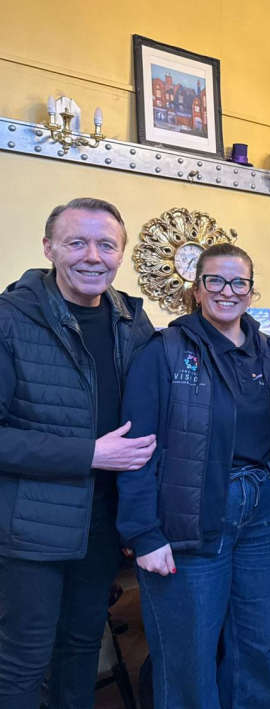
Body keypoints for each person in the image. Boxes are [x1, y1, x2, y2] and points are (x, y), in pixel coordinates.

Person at [116, 243, 270, 707]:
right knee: (188, 658)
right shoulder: (163, 352)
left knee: (262, 647)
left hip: (264, 518)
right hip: (187, 519)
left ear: (251, 292)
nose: (226, 291)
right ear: (197, 290)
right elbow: (134, 451)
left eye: (238, 282)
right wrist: (143, 533)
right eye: (215, 280)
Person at [0, 198, 155, 709]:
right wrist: (88, 453)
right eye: (77, 243)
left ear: (121, 253)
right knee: (23, 661)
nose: (93, 256)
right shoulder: (9, 319)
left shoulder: (132, 320)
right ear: (49, 248)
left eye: (106, 245)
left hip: (103, 524)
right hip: (31, 529)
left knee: (83, 649)